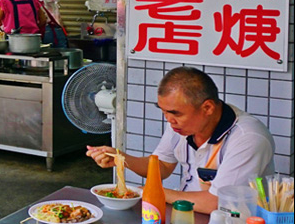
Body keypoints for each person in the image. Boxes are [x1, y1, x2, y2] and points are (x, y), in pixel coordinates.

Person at [86, 67, 275, 215]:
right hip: (187, 214)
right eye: (164, 111)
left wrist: (150, 192)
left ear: (207, 107)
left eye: (174, 113)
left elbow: (216, 203)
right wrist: (121, 158)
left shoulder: (247, 138)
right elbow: (162, 167)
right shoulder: (180, 125)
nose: (168, 119)